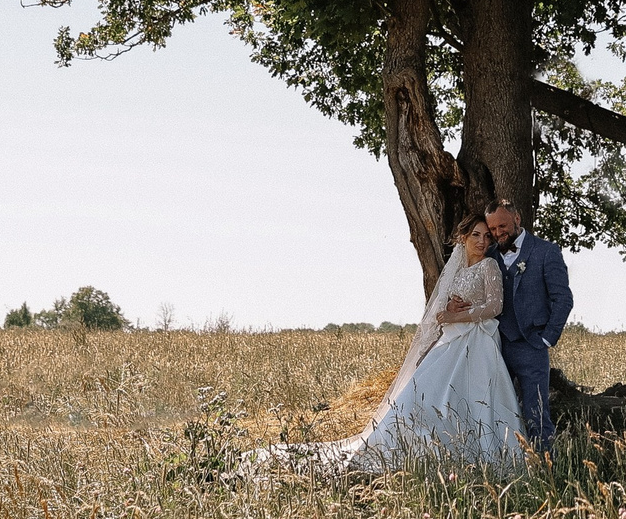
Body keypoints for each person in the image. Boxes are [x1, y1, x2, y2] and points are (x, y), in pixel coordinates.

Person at [242, 214, 524, 476]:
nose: (482, 242)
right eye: (476, 235)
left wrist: (457, 314)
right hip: (451, 340)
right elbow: (443, 306)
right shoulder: (458, 269)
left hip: (478, 342)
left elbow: (495, 306)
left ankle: (478, 451)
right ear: (463, 237)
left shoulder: (490, 266)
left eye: (487, 236)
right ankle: (416, 446)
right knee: (424, 395)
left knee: (476, 399)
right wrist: (449, 307)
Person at [484, 200, 571, 451]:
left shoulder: (546, 251)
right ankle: (504, 467)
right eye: (493, 228)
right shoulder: (488, 255)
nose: (498, 232)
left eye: (502, 225)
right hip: (495, 346)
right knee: (494, 410)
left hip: (532, 346)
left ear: (517, 219)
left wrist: (547, 338)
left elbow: (562, 298)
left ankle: (547, 473)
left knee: (537, 413)